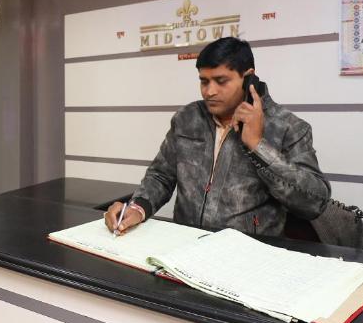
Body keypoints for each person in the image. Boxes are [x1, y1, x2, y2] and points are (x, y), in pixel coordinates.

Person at [104, 37, 330, 237]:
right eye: (204, 81)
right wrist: (137, 207)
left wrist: (258, 145)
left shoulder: (287, 127)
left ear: (248, 78)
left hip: (250, 256)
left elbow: (314, 202)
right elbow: (161, 175)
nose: (209, 91)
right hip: (184, 247)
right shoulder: (187, 118)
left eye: (221, 81)